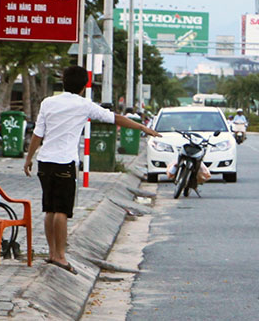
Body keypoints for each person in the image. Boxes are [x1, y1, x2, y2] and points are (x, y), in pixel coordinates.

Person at [24, 66, 161, 274]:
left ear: (63, 82)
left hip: (44, 162)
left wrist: (29, 158)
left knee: (49, 209)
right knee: (61, 210)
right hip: (64, 163)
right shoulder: (84, 105)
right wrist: (141, 127)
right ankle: (60, 256)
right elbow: (115, 118)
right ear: (84, 86)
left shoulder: (48, 102)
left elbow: (38, 134)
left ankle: (51, 253)